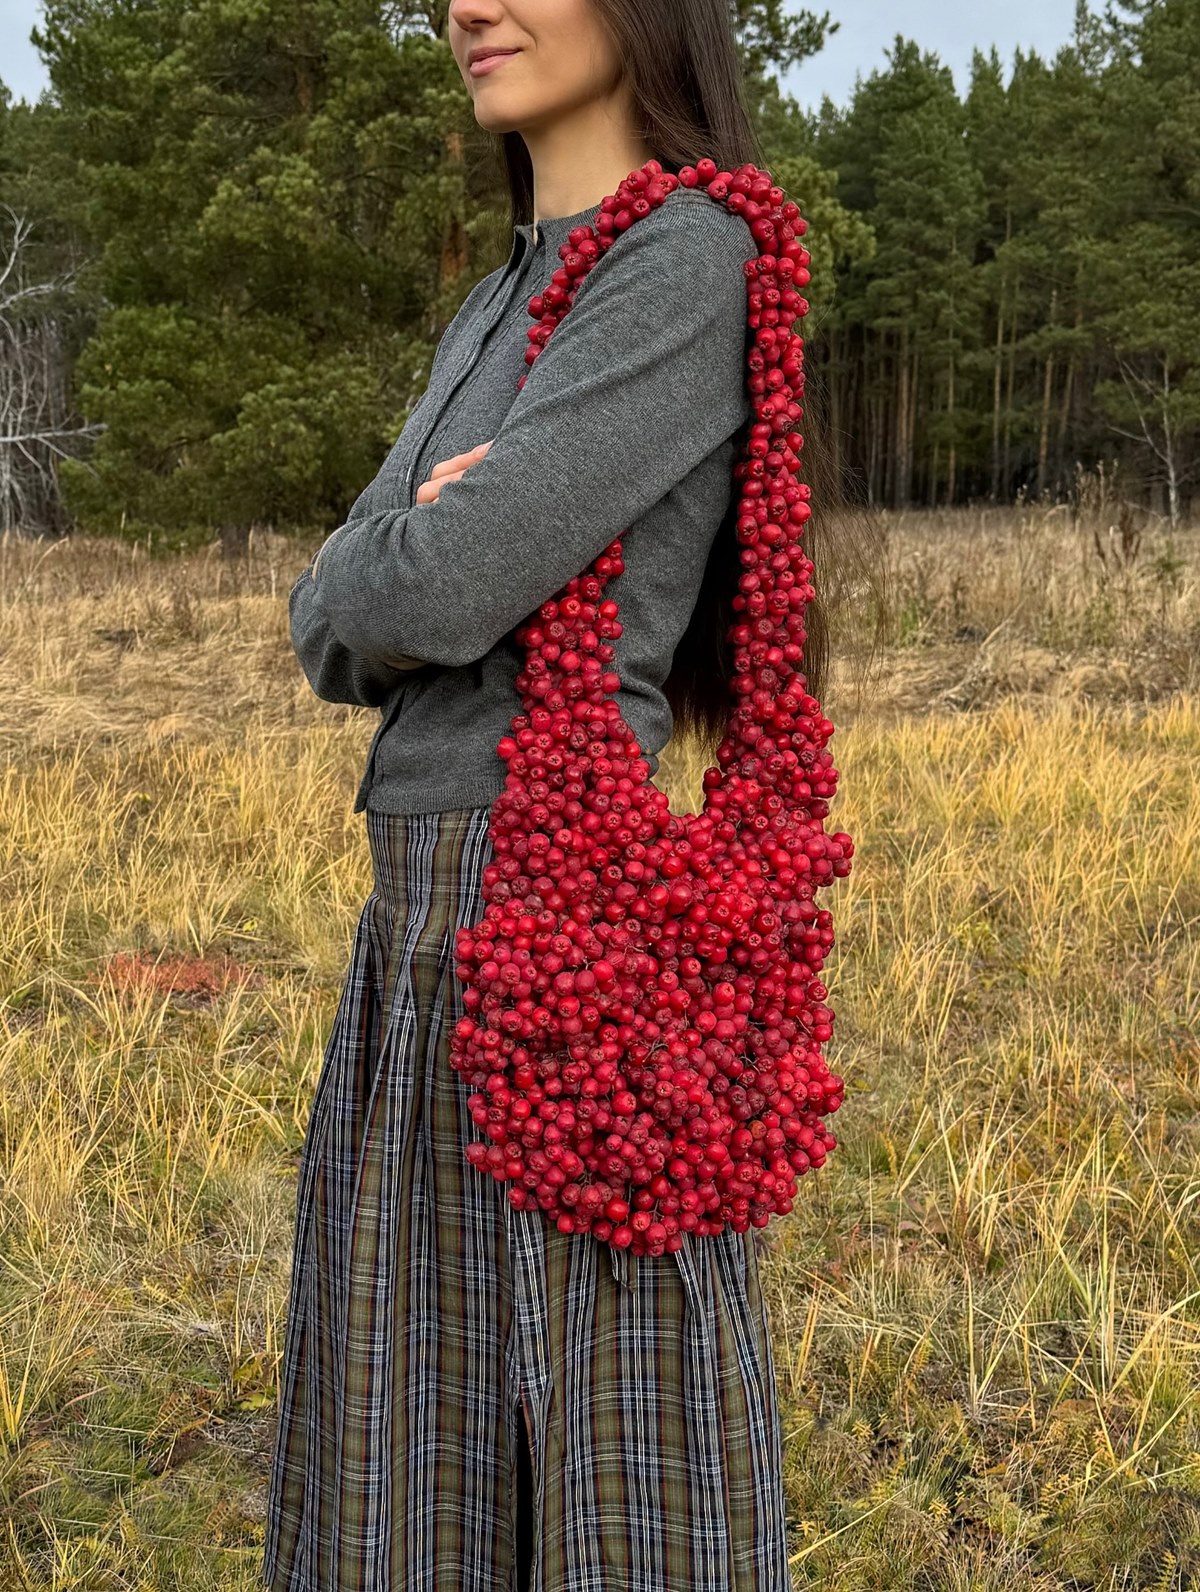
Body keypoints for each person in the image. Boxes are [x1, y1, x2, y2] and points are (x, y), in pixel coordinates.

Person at [263, 2, 813, 1587]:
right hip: (422, 923)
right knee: (415, 1442)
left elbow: (432, 588)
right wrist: (397, 565)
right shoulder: (506, 291)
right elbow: (336, 616)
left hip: (561, 926)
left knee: (608, 1460)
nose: (470, 6)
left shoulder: (684, 255)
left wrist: (413, 560)